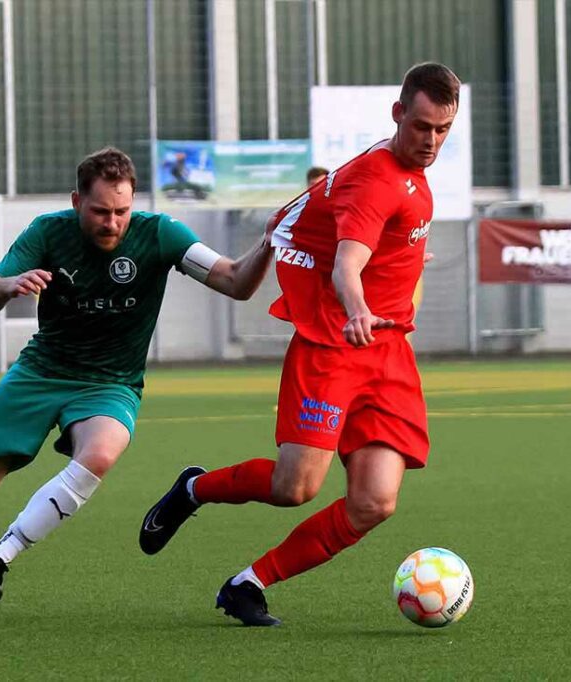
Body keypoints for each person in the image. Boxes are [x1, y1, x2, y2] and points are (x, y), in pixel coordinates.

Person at [138, 62, 456, 626]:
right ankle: (195, 488)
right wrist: (357, 308)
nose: (430, 140)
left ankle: (248, 584)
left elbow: (372, 246)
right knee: (295, 488)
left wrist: (402, 266)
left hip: (387, 354)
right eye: (422, 126)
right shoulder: (375, 181)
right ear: (398, 113)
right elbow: (347, 265)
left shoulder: (411, 172)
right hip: (333, 345)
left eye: (442, 129)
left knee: (374, 502)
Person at [0, 146, 275, 622]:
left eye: (122, 211)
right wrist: (12, 282)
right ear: (78, 201)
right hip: (41, 371)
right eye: (100, 211)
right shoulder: (48, 231)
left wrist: (266, 245)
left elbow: (235, 281)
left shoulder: (161, 235)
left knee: (100, 453)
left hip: (110, 383)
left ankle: (1, 554)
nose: (112, 222)